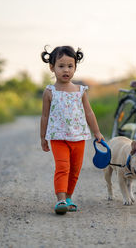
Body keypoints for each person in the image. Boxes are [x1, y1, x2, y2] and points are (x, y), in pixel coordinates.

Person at [40, 45, 105, 215]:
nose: (66, 70)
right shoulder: (49, 92)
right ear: (52, 67)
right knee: (63, 167)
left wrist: (97, 132)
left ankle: (68, 197)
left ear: (75, 67)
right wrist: (43, 137)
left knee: (75, 169)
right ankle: (60, 200)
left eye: (70, 66)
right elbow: (45, 117)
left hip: (79, 137)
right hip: (58, 137)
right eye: (61, 66)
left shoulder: (80, 90)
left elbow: (89, 113)